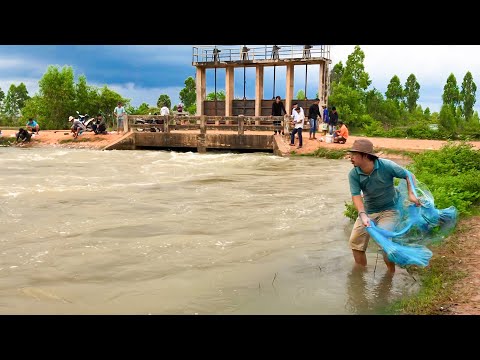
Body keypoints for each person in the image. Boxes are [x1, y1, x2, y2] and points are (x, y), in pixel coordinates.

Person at [347, 139, 421, 274]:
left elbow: (408, 175)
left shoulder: (386, 166)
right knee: (355, 242)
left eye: (354, 154)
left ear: (365, 156)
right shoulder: (354, 174)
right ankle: (361, 274)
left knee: (385, 244)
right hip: (368, 212)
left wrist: (411, 194)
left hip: (389, 210)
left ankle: (390, 273)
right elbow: (356, 196)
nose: (350, 157)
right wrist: (363, 215)